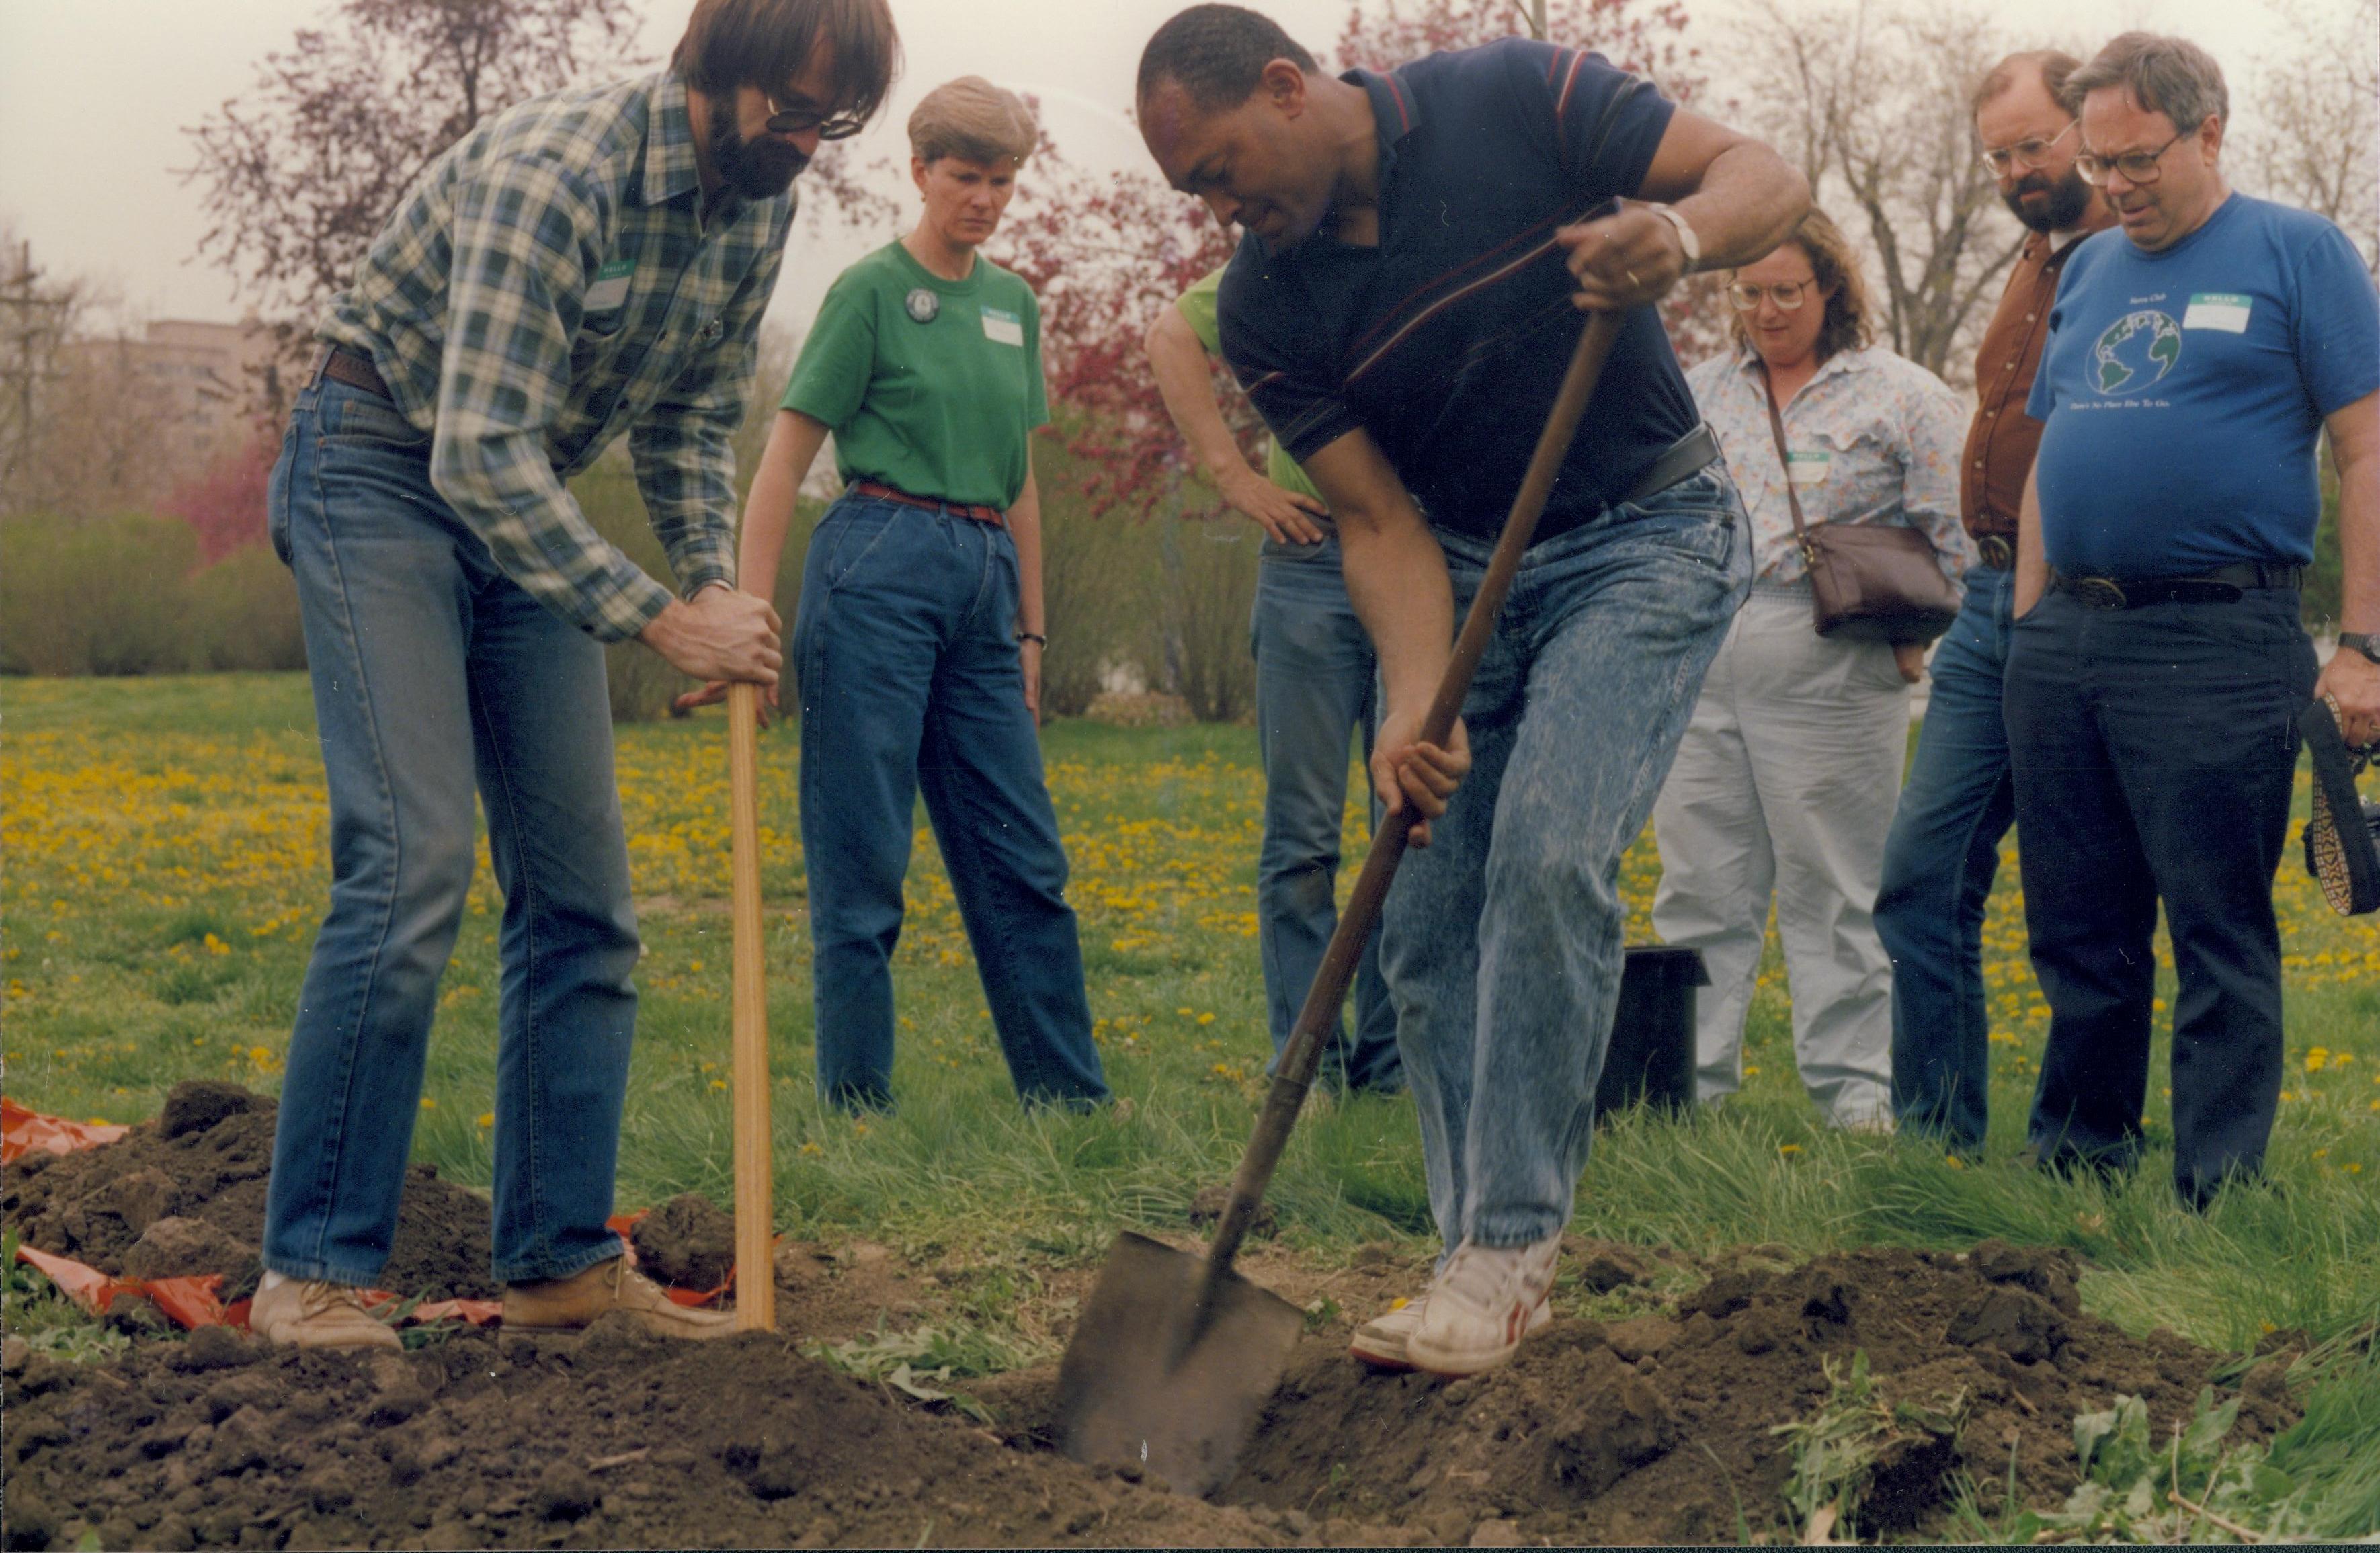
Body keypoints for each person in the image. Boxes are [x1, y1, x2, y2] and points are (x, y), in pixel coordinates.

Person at [1137, 3, 1807, 1376]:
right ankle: (1471, 1266)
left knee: (1551, 857)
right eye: (1191, 190)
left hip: (1648, 534)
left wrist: (1675, 236)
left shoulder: (1514, 96)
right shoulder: (1268, 304)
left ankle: (1507, 1252)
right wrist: (1409, 706)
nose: (1218, 210)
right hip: (1460, 570)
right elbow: (1378, 526)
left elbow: (1762, 175)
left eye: (1214, 169)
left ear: (1283, 88)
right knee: (1428, 915)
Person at [253, 0, 901, 1350]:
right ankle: (311, 1272)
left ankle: (557, 1264)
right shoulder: (562, 173)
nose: (805, 141)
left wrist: (716, 578)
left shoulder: (758, 204)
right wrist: (661, 621)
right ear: (710, 67)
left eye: (832, 121)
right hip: (379, 463)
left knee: (585, 901)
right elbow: (476, 451)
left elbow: (683, 417)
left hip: (517, 490)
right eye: (790, 106)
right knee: (413, 856)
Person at [2008, 32, 2380, 1208]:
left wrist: (2364, 643)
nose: (2114, 187)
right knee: (2076, 926)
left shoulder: (2297, 250)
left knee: (2216, 929)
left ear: (2208, 131)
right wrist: (2028, 623)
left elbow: (2366, 448)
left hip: (2218, 640)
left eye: (2137, 160)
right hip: (2068, 640)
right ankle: (2078, 1169)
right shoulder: (2087, 273)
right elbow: (2049, 449)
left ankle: (2215, 1198)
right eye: (2098, 164)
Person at [696, 77, 1110, 1115]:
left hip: (985, 584)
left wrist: (1033, 625)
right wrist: (748, 617)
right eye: (965, 177)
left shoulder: (1013, 305)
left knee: (1027, 859)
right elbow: (784, 467)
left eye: (1002, 180)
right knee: (864, 859)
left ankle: (1069, 1100)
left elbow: (1019, 481)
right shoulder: (872, 292)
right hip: (877, 562)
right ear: (920, 172)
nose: (983, 198)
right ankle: (856, 1111)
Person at [1651, 210, 1971, 1130]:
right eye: (1747, 293)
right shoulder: (1697, 388)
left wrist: (1919, 632)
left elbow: (1955, 534)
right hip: (1705, 645)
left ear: (1830, 288)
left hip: (1833, 651)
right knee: (1700, 878)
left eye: (1786, 290)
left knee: (1837, 884)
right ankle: (1690, 1087)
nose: (1766, 310)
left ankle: (1855, 1094)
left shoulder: (1900, 393)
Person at [1875, 50, 2115, 1155]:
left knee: (2081, 901)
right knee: (1920, 876)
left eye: (2036, 144)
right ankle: (1937, 1148)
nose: (2019, 168)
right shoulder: (2031, 258)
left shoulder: (2131, 256)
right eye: (2001, 154)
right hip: (1983, 600)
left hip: (2079, 606)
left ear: (2089, 128)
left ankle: (2080, 1156)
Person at [1146, 271, 1404, 1095]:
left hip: (1426, 559)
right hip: (1307, 556)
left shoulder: (1435, 234)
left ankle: (1396, 1068)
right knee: (1302, 835)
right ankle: (1306, 1068)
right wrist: (1230, 473)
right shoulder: (1292, 251)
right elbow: (1171, 336)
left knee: (1410, 826)